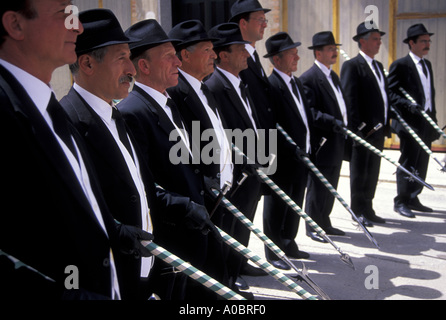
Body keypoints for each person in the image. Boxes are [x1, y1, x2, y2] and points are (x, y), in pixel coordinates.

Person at [0, 0, 152, 300]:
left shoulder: (46, 106)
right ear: (16, 25)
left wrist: (113, 230)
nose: (78, 26)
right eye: (64, 14)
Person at [60, 9, 207, 300]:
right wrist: (116, 232)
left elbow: (141, 188)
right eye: (122, 58)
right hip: (106, 276)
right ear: (87, 63)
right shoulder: (67, 122)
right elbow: (67, 212)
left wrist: (180, 206)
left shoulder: (115, 115)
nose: (132, 68)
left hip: (144, 267)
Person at [118, 19, 223, 300]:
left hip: (191, 232)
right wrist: (184, 206)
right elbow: (143, 185)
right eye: (169, 57)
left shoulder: (167, 102)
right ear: (144, 66)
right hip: (170, 236)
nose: (178, 62)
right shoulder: (133, 112)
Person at [205, 22, 266, 297]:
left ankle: (239, 265)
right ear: (223, 55)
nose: (247, 53)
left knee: (244, 225)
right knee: (228, 227)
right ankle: (228, 278)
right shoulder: (214, 87)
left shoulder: (241, 83)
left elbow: (252, 124)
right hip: (236, 174)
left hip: (251, 170)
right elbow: (221, 136)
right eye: (240, 48)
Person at [261, 32, 311, 269]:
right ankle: (273, 251)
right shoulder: (271, 87)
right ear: (277, 60)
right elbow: (271, 125)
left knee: (295, 202)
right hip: (281, 158)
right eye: (292, 54)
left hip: (301, 156)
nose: (297, 58)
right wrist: (288, 148)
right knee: (277, 204)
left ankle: (288, 240)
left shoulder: (296, 83)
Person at [300, 31, 349, 241]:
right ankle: (313, 226)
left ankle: (324, 221)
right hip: (323, 143)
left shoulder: (333, 76)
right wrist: (333, 122)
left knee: (331, 186)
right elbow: (310, 112)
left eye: (335, 49)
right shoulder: (309, 78)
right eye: (330, 49)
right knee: (318, 186)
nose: (334, 53)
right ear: (318, 53)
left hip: (337, 141)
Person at [341, 22, 390, 226]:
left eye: (380, 39)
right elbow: (350, 100)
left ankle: (368, 208)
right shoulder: (352, 66)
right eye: (375, 39)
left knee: (373, 172)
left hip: (378, 131)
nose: (379, 43)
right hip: (363, 133)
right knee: (360, 173)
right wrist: (357, 130)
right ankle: (357, 211)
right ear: (363, 41)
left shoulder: (378, 66)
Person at [388, 24, 439, 218]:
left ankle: (414, 196)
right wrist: (409, 106)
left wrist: (432, 117)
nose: (427, 44)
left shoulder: (427, 64)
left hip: (426, 121)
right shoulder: (401, 65)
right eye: (423, 41)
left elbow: (429, 94)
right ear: (412, 43)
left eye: (428, 41)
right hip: (409, 122)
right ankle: (401, 200)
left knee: (422, 160)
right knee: (409, 160)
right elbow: (391, 93)